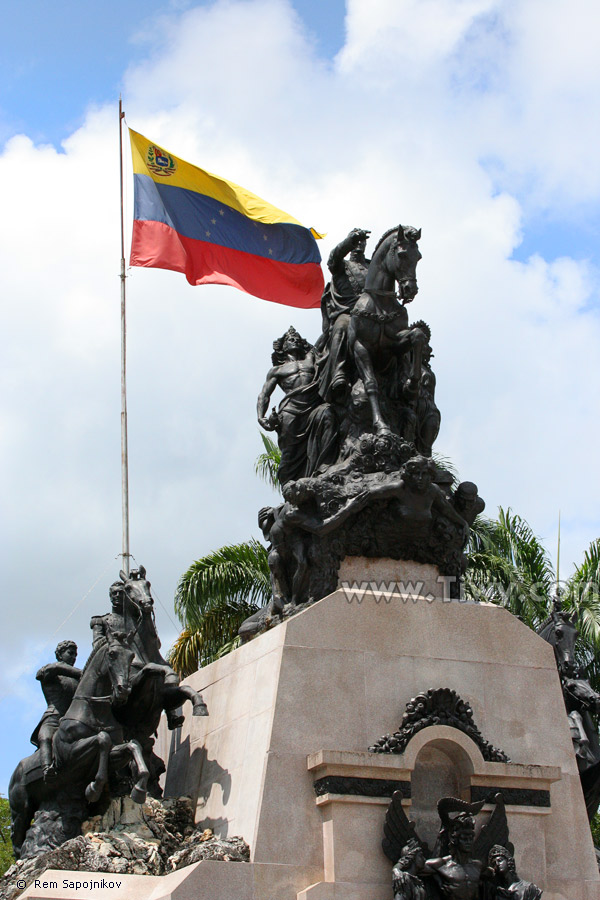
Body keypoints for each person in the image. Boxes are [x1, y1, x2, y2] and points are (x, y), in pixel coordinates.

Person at [257, 327, 338, 486]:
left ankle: (324, 466)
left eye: (296, 339)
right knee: (290, 452)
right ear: (283, 347)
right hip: (291, 410)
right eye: (290, 340)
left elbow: (326, 335)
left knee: (328, 415)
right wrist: (261, 417)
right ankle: (288, 486)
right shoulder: (277, 370)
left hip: (314, 406)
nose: (294, 341)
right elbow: (264, 395)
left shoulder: (311, 358)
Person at [317, 228, 371, 403]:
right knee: (341, 326)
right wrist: (349, 241)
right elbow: (333, 258)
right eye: (357, 241)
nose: (359, 245)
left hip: (373, 314)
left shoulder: (372, 266)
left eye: (362, 241)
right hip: (348, 312)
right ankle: (339, 372)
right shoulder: (342, 265)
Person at [30, 640, 81, 780]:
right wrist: (84, 673)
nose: (74, 657)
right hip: (53, 717)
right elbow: (47, 671)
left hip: (74, 720)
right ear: (59, 654)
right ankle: (47, 769)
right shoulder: (52, 670)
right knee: (45, 737)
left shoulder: (78, 680)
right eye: (70, 653)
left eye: (75, 655)